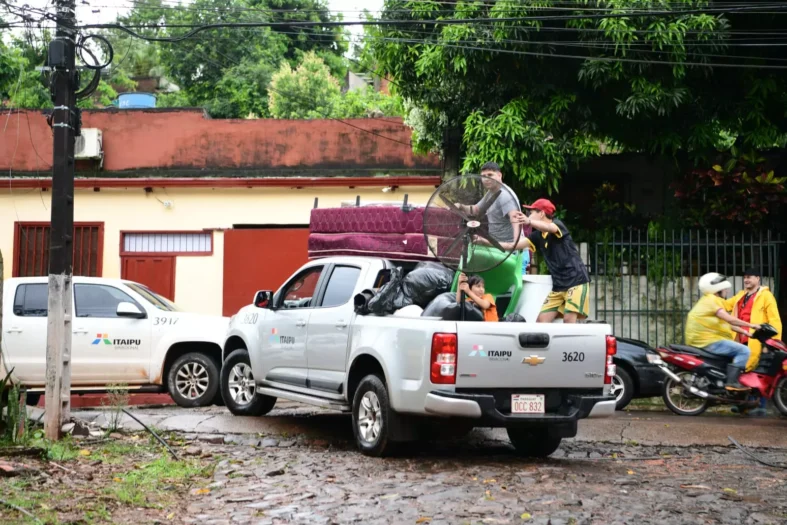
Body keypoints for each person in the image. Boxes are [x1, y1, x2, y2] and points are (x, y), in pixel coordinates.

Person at [507, 199, 590, 323]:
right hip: (558, 286)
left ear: (541, 213)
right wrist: (486, 241)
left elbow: (550, 228)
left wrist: (529, 221)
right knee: (541, 321)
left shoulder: (557, 225)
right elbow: (513, 245)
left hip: (576, 281)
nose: (529, 215)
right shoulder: (537, 236)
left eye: (531, 212)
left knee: (569, 320)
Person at [684, 273, 760, 391]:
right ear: (717, 289)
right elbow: (730, 319)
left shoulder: (709, 300)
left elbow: (727, 324)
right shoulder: (711, 301)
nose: (727, 291)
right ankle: (732, 382)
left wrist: (748, 333)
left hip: (705, 340)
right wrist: (752, 325)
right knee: (744, 350)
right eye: (725, 288)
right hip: (708, 341)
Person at [724, 267, 782, 414]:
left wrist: (773, 342)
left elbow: (774, 320)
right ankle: (744, 404)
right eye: (745, 277)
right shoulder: (741, 295)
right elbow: (725, 305)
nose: (746, 280)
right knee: (742, 372)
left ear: (758, 279)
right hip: (741, 339)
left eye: (750, 277)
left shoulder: (766, 296)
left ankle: (759, 406)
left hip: (759, 341)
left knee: (759, 373)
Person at [455, 161, 521, 245]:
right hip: (495, 244)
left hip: (507, 248)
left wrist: (515, 245)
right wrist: (461, 206)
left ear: (499, 175)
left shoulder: (504, 195)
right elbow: (476, 209)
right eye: (483, 176)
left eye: (490, 175)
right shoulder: (491, 192)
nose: (486, 179)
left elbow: (516, 219)